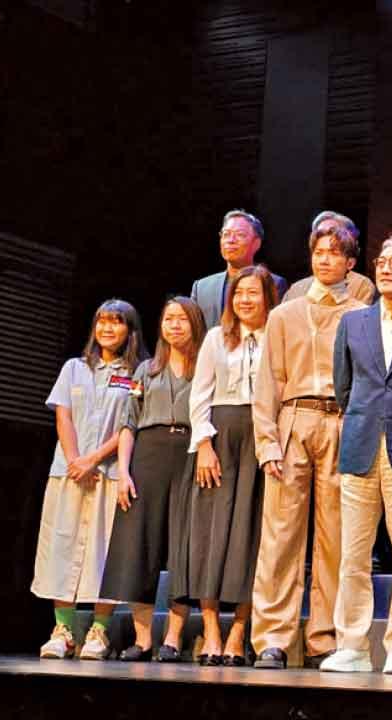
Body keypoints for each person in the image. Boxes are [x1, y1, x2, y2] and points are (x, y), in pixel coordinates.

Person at [250, 225, 366, 669]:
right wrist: (267, 443)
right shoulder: (285, 314)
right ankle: (273, 638)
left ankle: (325, 638)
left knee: (336, 538)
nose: (325, 260)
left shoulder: (361, 314)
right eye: (319, 252)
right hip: (294, 419)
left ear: (350, 263)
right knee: (280, 537)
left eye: (335, 253)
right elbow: (268, 383)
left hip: (340, 420)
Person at [322, 236, 392, 674]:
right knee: (353, 554)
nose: (385, 268)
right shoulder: (353, 323)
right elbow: (344, 387)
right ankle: (352, 644)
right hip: (360, 445)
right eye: (381, 261)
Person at [35, 299, 146, 661]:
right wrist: (75, 461)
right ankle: (63, 630)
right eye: (102, 322)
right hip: (69, 473)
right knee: (62, 546)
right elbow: (63, 416)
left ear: (130, 330)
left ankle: (99, 630)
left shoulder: (138, 372)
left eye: (116, 322)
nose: (107, 329)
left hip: (109, 474)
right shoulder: (74, 368)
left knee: (105, 551)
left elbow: (129, 423)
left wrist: (93, 460)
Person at [99, 297, 206, 662]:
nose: (174, 325)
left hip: (190, 455)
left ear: (195, 324)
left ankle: (173, 638)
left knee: (183, 548)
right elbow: (128, 423)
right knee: (138, 546)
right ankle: (143, 638)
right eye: (168, 319)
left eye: (182, 319)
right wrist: (123, 472)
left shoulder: (205, 367)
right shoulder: (146, 369)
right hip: (148, 456)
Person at [183, 265, 277, 665]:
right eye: (238, 293)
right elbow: (199, 394)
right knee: (211, 534)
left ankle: (240, 631)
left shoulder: (277, 335)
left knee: (252, 534)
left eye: (253, 293)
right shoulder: (215, 338)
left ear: (268, 297)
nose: (244, 300)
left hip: (262, 435)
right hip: (219, 437)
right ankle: (211, 631)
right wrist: (204, 443)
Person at [191, 210, 288, 329]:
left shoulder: (274, 283)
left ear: (256, 243)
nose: (231, 240)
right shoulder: (202, 287)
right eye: (226, 234)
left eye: (240, 234)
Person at [282, 211, 377, 304]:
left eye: (334, 232)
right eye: (319, 252)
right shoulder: (296, 289)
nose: (324, 260)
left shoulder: (361, 285)